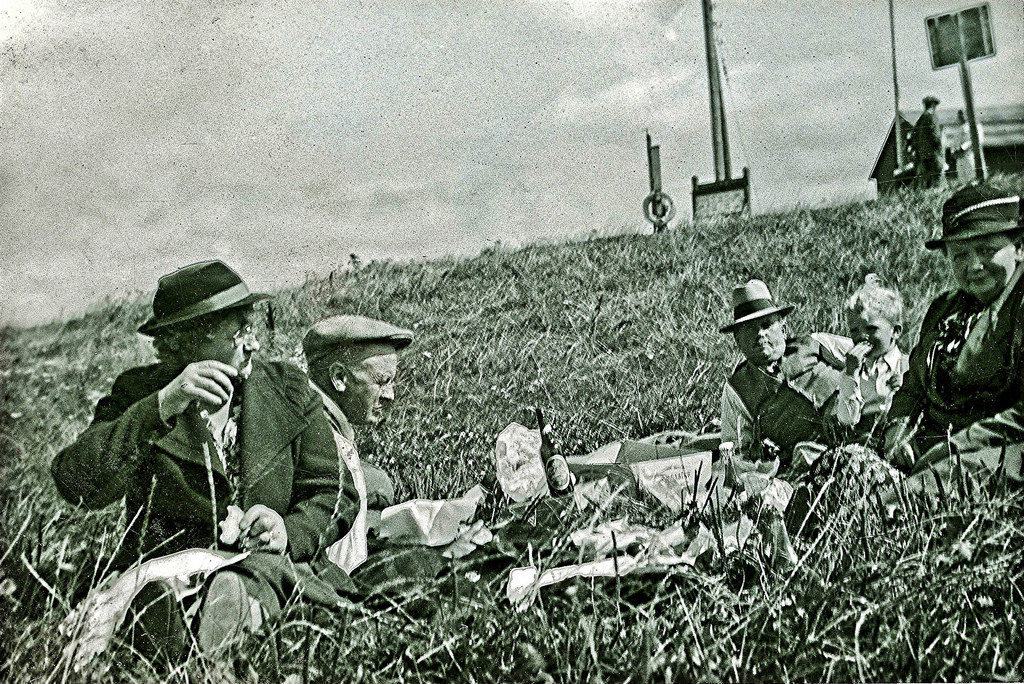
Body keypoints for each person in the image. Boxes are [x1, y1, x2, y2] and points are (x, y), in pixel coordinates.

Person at [51, 260, 357, 672]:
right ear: (185, 342)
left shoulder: (286, 387)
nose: (254, 345)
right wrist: (162, 406)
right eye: (240, 333)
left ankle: (219, 630)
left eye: (254, 329)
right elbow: (77, 483)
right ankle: (172, 634)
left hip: (270, 568)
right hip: (167, 572)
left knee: (251, 582)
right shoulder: (139, 394)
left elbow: (334, 491)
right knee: (156, 596)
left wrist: (288, 531)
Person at [885, 183, 1024, 493]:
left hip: (1004, 450)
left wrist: (952, 449)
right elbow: (913, 387)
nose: (973, 266)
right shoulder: (943, 308)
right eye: (959, 254)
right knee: (846, 473)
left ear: (1019, 247)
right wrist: (897, 431)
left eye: (987, 250)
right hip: (934, 448)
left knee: (909, 498)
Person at [302, 315, 412, 574]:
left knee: (377, 480)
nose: (390, 395)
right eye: (382, 381)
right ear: (339, 377)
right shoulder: (319, 440)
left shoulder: (322, 420)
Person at [719, 279, 853, 467]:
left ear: (783, 328)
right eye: (749, 329)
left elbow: (873, 357)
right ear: (738, 340)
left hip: (864, 425)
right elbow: (737, 452)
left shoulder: (815, 343)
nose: (760, 334)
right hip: (814, 463)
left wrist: (843, 393)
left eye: (766, 325)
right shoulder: (737, 389)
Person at [834, 274, 909, 446]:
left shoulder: (907, 366)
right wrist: (851, 374)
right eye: (854, 331)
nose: (862, 336)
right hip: (861, 446)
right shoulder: (854, 371)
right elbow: (847, 419)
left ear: (895, 331)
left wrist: (904, 389)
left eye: (871, 328)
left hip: (897, 441)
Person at [912, 95, 944, 189]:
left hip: (923, 154)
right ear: (933, 105)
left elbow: (914, 136)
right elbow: (936, 136)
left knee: (926, 181)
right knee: (936, 181)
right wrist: (940, 151)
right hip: (933, 154)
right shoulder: (932, 117)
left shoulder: (921, 119)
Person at [954, 109, 986, 182]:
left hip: (971, 155)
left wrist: (963, 147)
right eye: (959, 115)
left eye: (963, 114)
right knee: (962, 179)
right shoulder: (959, 128)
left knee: (973, 177)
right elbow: (955, 142)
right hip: (960, 158)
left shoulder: (976, 126)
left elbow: (979, 140)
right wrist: (954, 151)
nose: (961, 117)